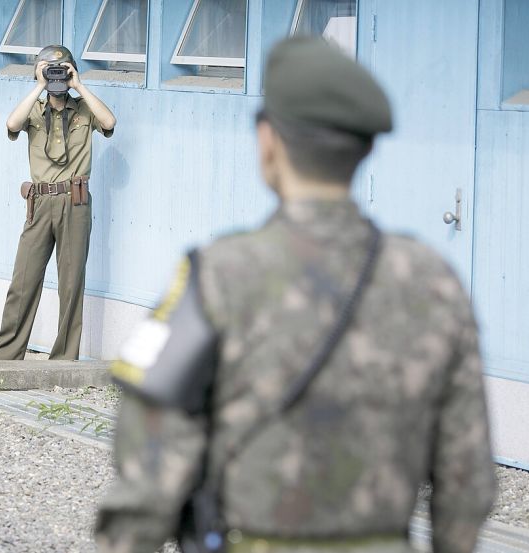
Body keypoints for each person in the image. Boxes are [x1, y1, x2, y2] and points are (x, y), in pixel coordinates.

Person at [96, 37, 496, 553]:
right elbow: (468, 479)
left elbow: (149, 471)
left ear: (268, 142)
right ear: (366, 149)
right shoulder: (431, 280)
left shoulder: (220, 275)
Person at [0, 45, 115, 361]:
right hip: (40, 201)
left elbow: (110, 122)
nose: (56, 75)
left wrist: (79, 85)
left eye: (62, 69)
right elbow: (12, 125)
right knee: (23, 279)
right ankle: (5, 355)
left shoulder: (83, 109)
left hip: (75, 201)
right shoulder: (34, 108)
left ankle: (63, 359)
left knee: (71, 284)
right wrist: (39, 84)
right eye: (51, 69)